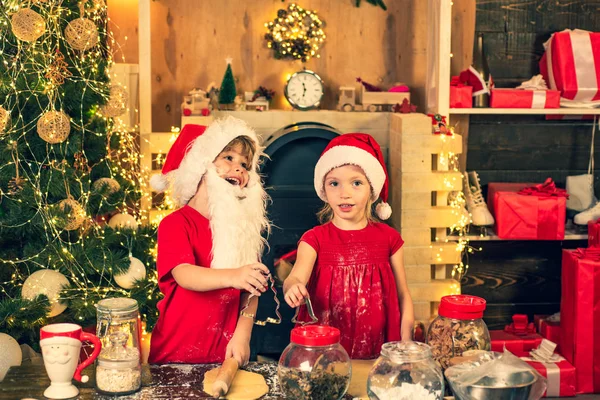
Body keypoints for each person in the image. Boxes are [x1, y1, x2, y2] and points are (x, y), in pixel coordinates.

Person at [148, 116, 270, 365]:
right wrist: (234, 275)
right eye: (229, 158)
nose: (239, 168)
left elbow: (252, 287)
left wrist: (243, 334)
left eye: (245, 164)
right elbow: (185, 275)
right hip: (177, 350)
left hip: (223, 352)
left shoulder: (241, 229)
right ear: (203, 165)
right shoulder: (176, 223)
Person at [283, 133, 414, 359]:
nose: (345, 193)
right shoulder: (314, 239)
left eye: (356, 183)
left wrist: (406, 343)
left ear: (371, 189)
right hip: (326, 349)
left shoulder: (390, 239)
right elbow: (295, 278)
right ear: (324, 190)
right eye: (334, 183)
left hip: (379, 347)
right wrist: (292, 287)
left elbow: (403, 296)